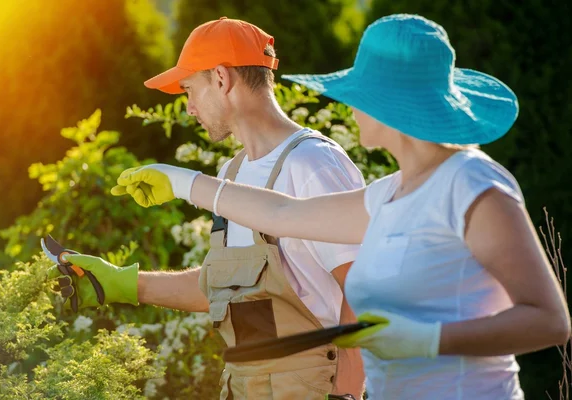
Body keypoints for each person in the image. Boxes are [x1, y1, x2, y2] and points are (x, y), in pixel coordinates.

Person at [106, 13, 571, 400]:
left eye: (357, 96)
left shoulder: (471, 182)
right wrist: (183, 182)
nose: (348, 108)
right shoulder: (389, 194)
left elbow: (550, 320)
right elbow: (283, 215)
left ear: (389, 104)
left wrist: (430, 340)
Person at [48, 17, 366, 400]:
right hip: (247, 384)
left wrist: (347, 392)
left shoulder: (311, 164)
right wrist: (123, 283)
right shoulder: (231, 173)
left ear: (220, 78)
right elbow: (231, 288)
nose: (188, 108)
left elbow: (365, 287)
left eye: (188, 90)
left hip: (312, 385)